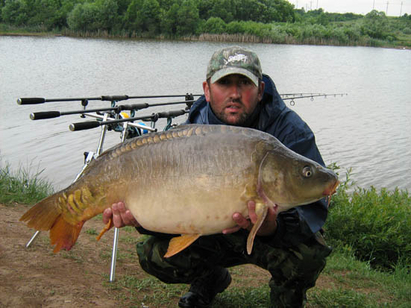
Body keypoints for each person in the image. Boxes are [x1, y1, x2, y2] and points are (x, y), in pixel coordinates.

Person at [103, 46, 332, 308]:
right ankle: (209, 280)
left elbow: (314, 210)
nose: (234, 94)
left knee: (308, 255)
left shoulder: (289, 130)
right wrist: (139, 220)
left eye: (244, 83)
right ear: (207, 89)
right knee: (153, 255)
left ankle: (287, 298)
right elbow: (172, 206)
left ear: (260, 90)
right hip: (210, 231)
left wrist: (273, 228)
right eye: (225, 83)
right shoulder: (190, 132)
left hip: (270, 235)